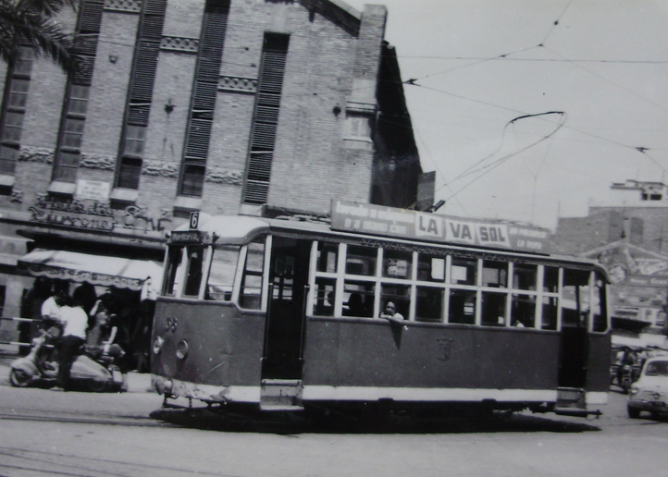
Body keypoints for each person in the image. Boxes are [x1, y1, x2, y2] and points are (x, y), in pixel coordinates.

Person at [54, 288, 89, 391]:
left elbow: (63, 324)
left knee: (64, 360)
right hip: (79, 338)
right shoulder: (83, 313)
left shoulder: (70, 311)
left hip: (70, 337)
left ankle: (60, 384)